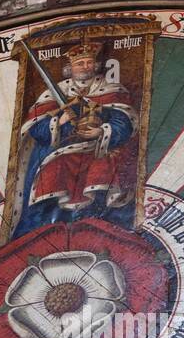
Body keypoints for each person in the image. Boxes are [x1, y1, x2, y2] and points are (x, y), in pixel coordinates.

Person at [14, 41, 138, 238]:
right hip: (60, 149)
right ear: (70, 68)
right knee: (52, 168)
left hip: (99, 147)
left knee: (105, 165)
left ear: (95, 66)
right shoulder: (54, 93)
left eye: (89, 63)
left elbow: (124, 122)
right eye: (80, 64)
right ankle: (48, 228)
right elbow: (36, 131)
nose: (85, 67)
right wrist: (59, 121)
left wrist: (102, 132)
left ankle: (96, 225)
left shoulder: (110, 89)